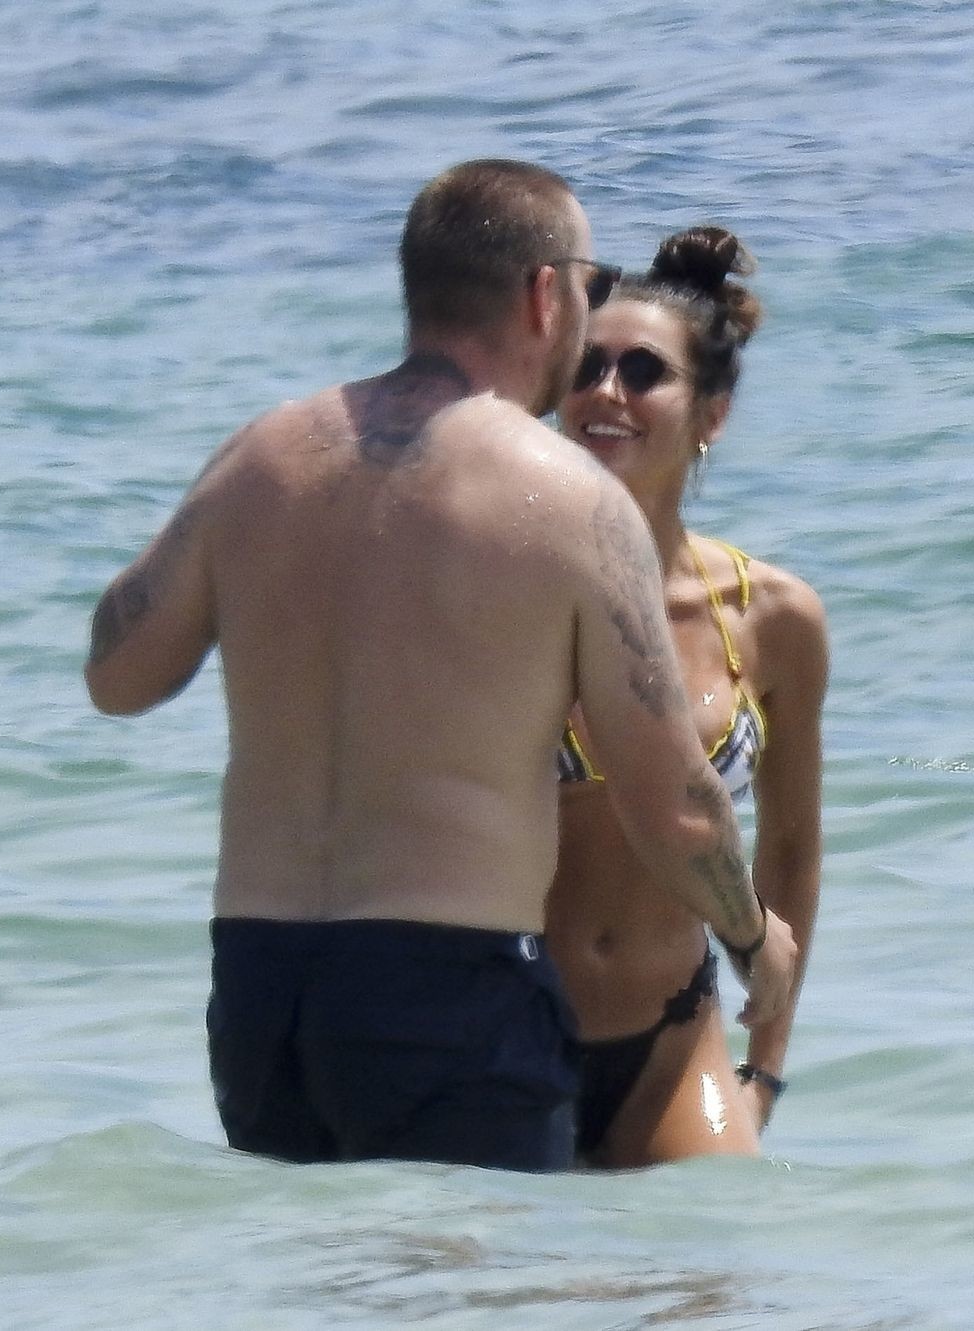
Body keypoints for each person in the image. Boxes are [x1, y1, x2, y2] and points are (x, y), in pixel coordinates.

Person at [82, 162, 797, 1172]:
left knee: (320, 1262)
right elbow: (672, 800)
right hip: (449, 984)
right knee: (474, 1266)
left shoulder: (260, 457)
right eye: (590, 288)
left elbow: (117, 675)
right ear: (545, 294)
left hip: (260, 985)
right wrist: (752, 935)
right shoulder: (567, 498)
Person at [547, 226, 829, 1168]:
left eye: (643, 372)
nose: (606, 392)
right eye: (585, 367)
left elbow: (790, 845)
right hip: (501, 1031)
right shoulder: (498, 592)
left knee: (721, 1256)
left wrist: (766, 1070)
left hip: (673, 1042)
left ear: (712, 412)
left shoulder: (774, 616)